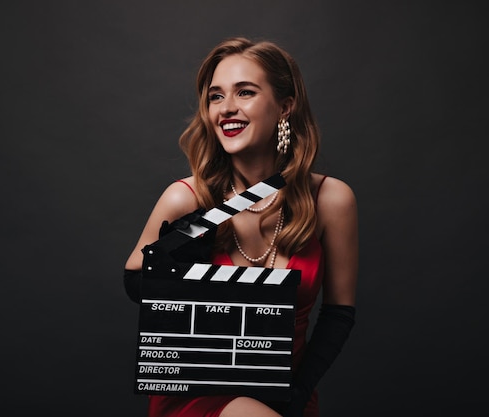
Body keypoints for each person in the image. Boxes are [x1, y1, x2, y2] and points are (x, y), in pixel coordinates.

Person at [124, 37, 358, 417]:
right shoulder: (186, 199)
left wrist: (298, 391)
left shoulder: (332, 200)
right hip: (201, 390)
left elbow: (338, 315)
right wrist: (175, 267)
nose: (226, 109)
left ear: (285, 105)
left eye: (245, 92)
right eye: (216, 96)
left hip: (286, 392)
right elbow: (134, 281)